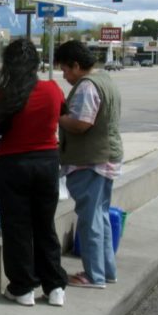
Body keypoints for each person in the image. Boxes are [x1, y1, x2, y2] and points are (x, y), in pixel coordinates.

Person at [0, 39, 68, 307]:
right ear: (36, 63)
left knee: (17, 227)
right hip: (47, 163)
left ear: (8, 65)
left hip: (13, 165)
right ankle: (55, 287)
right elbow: (62, 114)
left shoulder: (6, 94)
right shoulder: (53, 89)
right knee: (45, 225)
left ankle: (23, 288)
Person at [55, 40, 123, 289]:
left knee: (89, 220)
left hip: (90, 162)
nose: (65, 76)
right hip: (107, 157)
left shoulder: (86, 86)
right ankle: (106, 271)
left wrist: (59, 117)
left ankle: (94, 275)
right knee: (100, 217)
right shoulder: (106, 80)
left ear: (76, 65)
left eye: (65, 70)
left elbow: (81, 123)